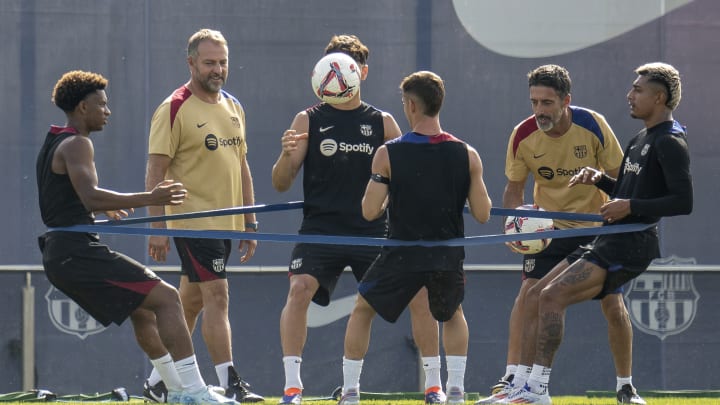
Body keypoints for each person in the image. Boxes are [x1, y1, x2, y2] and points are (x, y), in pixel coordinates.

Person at [36, 70, 237, 405]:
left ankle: (174, 390)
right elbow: (91, 196)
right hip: (76, 252)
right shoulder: (78, 143)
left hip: (61, 254)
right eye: (101, 104)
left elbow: (69, 198)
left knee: (142, 311)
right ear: (83, 107)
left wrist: (99, 210)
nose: (107, 111)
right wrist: (150, 198)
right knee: (169, 298)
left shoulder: (55, 140)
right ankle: (196, 392)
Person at [505, 62, 692, 405]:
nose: (629, 95)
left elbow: (684, 201)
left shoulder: (669, 141)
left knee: (568, 299)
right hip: (600, 236)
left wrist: (629, 206)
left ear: (659, 97)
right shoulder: (641, 138)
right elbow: (625, 187)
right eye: (534, 102)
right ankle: (522, 385)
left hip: (626, 241)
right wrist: (600, 180)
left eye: (638, 90)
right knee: (538, 295)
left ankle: (593, 387)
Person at [271, 35, 442, 405]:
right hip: (321, 229)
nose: (337, 73)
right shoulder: (308, 118)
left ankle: (435, 387)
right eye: (330, 64)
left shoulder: (382, 121)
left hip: (373, 232)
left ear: (361, 72)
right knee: (299, 289)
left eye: (346, 65)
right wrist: (286, 155)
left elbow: (411, 175)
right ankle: (292, 389)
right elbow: (281, 183)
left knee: (420, 295)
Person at [477, 64, 640, 404]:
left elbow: (621, 180)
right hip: (548, 231)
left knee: (612, 304)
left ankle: (625, 387)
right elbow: (514, 188)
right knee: (528, 297)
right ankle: (514, 382)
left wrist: (614, 218)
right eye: (534, 102)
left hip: (596, 229)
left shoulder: (593, 125)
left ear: (567, 100)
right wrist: (516, 226)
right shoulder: (523, 135)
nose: (539, 110)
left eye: (547, 103)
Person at [337, 71, 493, 405]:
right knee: (452, 315)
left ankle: (350, 393)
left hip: (402, 253)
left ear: (410, 105)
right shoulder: (468, 155)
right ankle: (456, 391)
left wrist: (392, 194)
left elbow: (368, 211)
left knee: (362, 309)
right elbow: (482, 214)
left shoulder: (388, 154)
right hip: (446, 255)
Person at [143, 29, 263, 403]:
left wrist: (249, 220)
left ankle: (158, 382)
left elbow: (241, 165)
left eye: (223, 62)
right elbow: (155, 172)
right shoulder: (174, 107)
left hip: (226, 224)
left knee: (190, 303)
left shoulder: (233, 105)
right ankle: (231, 383)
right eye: (210, 62)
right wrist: (158, 226)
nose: (218, 69)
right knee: (217, 295)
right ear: (191, 62)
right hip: (192, 221)